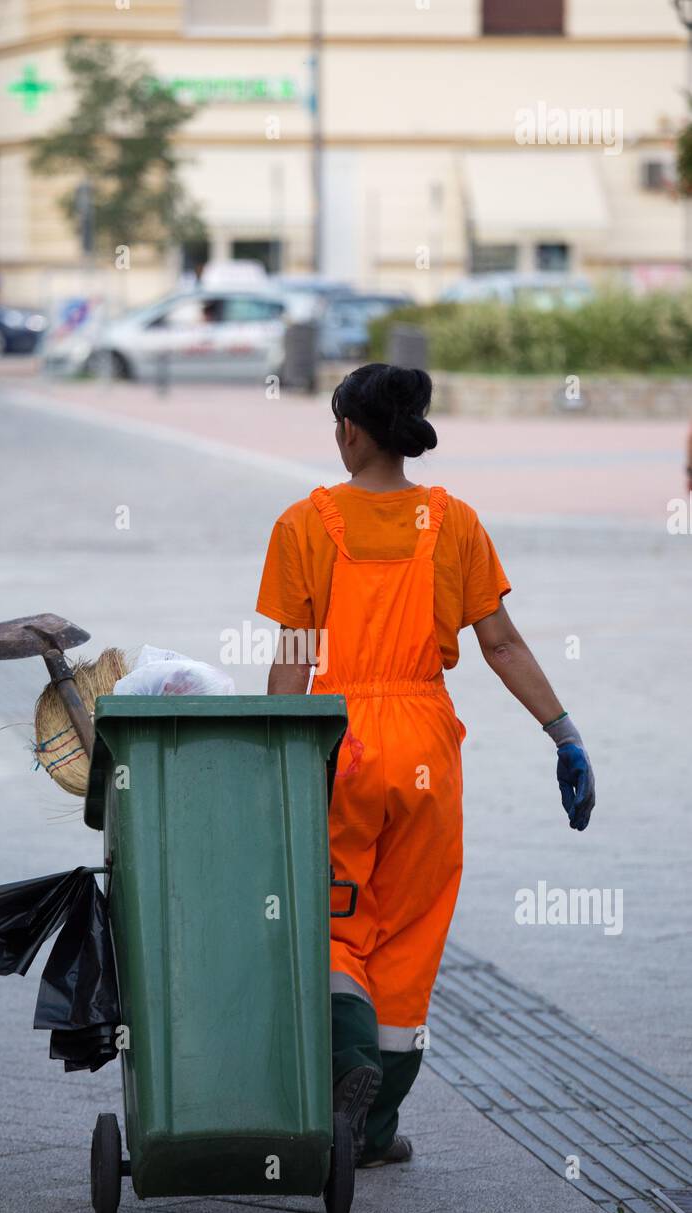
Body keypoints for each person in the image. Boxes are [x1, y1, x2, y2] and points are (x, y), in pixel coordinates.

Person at [256, 363, 595, 1167]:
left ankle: (350, 1069)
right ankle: (372, 1133)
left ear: (350, 430)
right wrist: (563, 732)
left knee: (333, 916)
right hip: (423, 742)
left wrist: (276, 751)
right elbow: (500, 643)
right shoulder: (452, 523)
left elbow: (294, 657)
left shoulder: (306, 523)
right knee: (410, 929)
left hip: (337, 740)